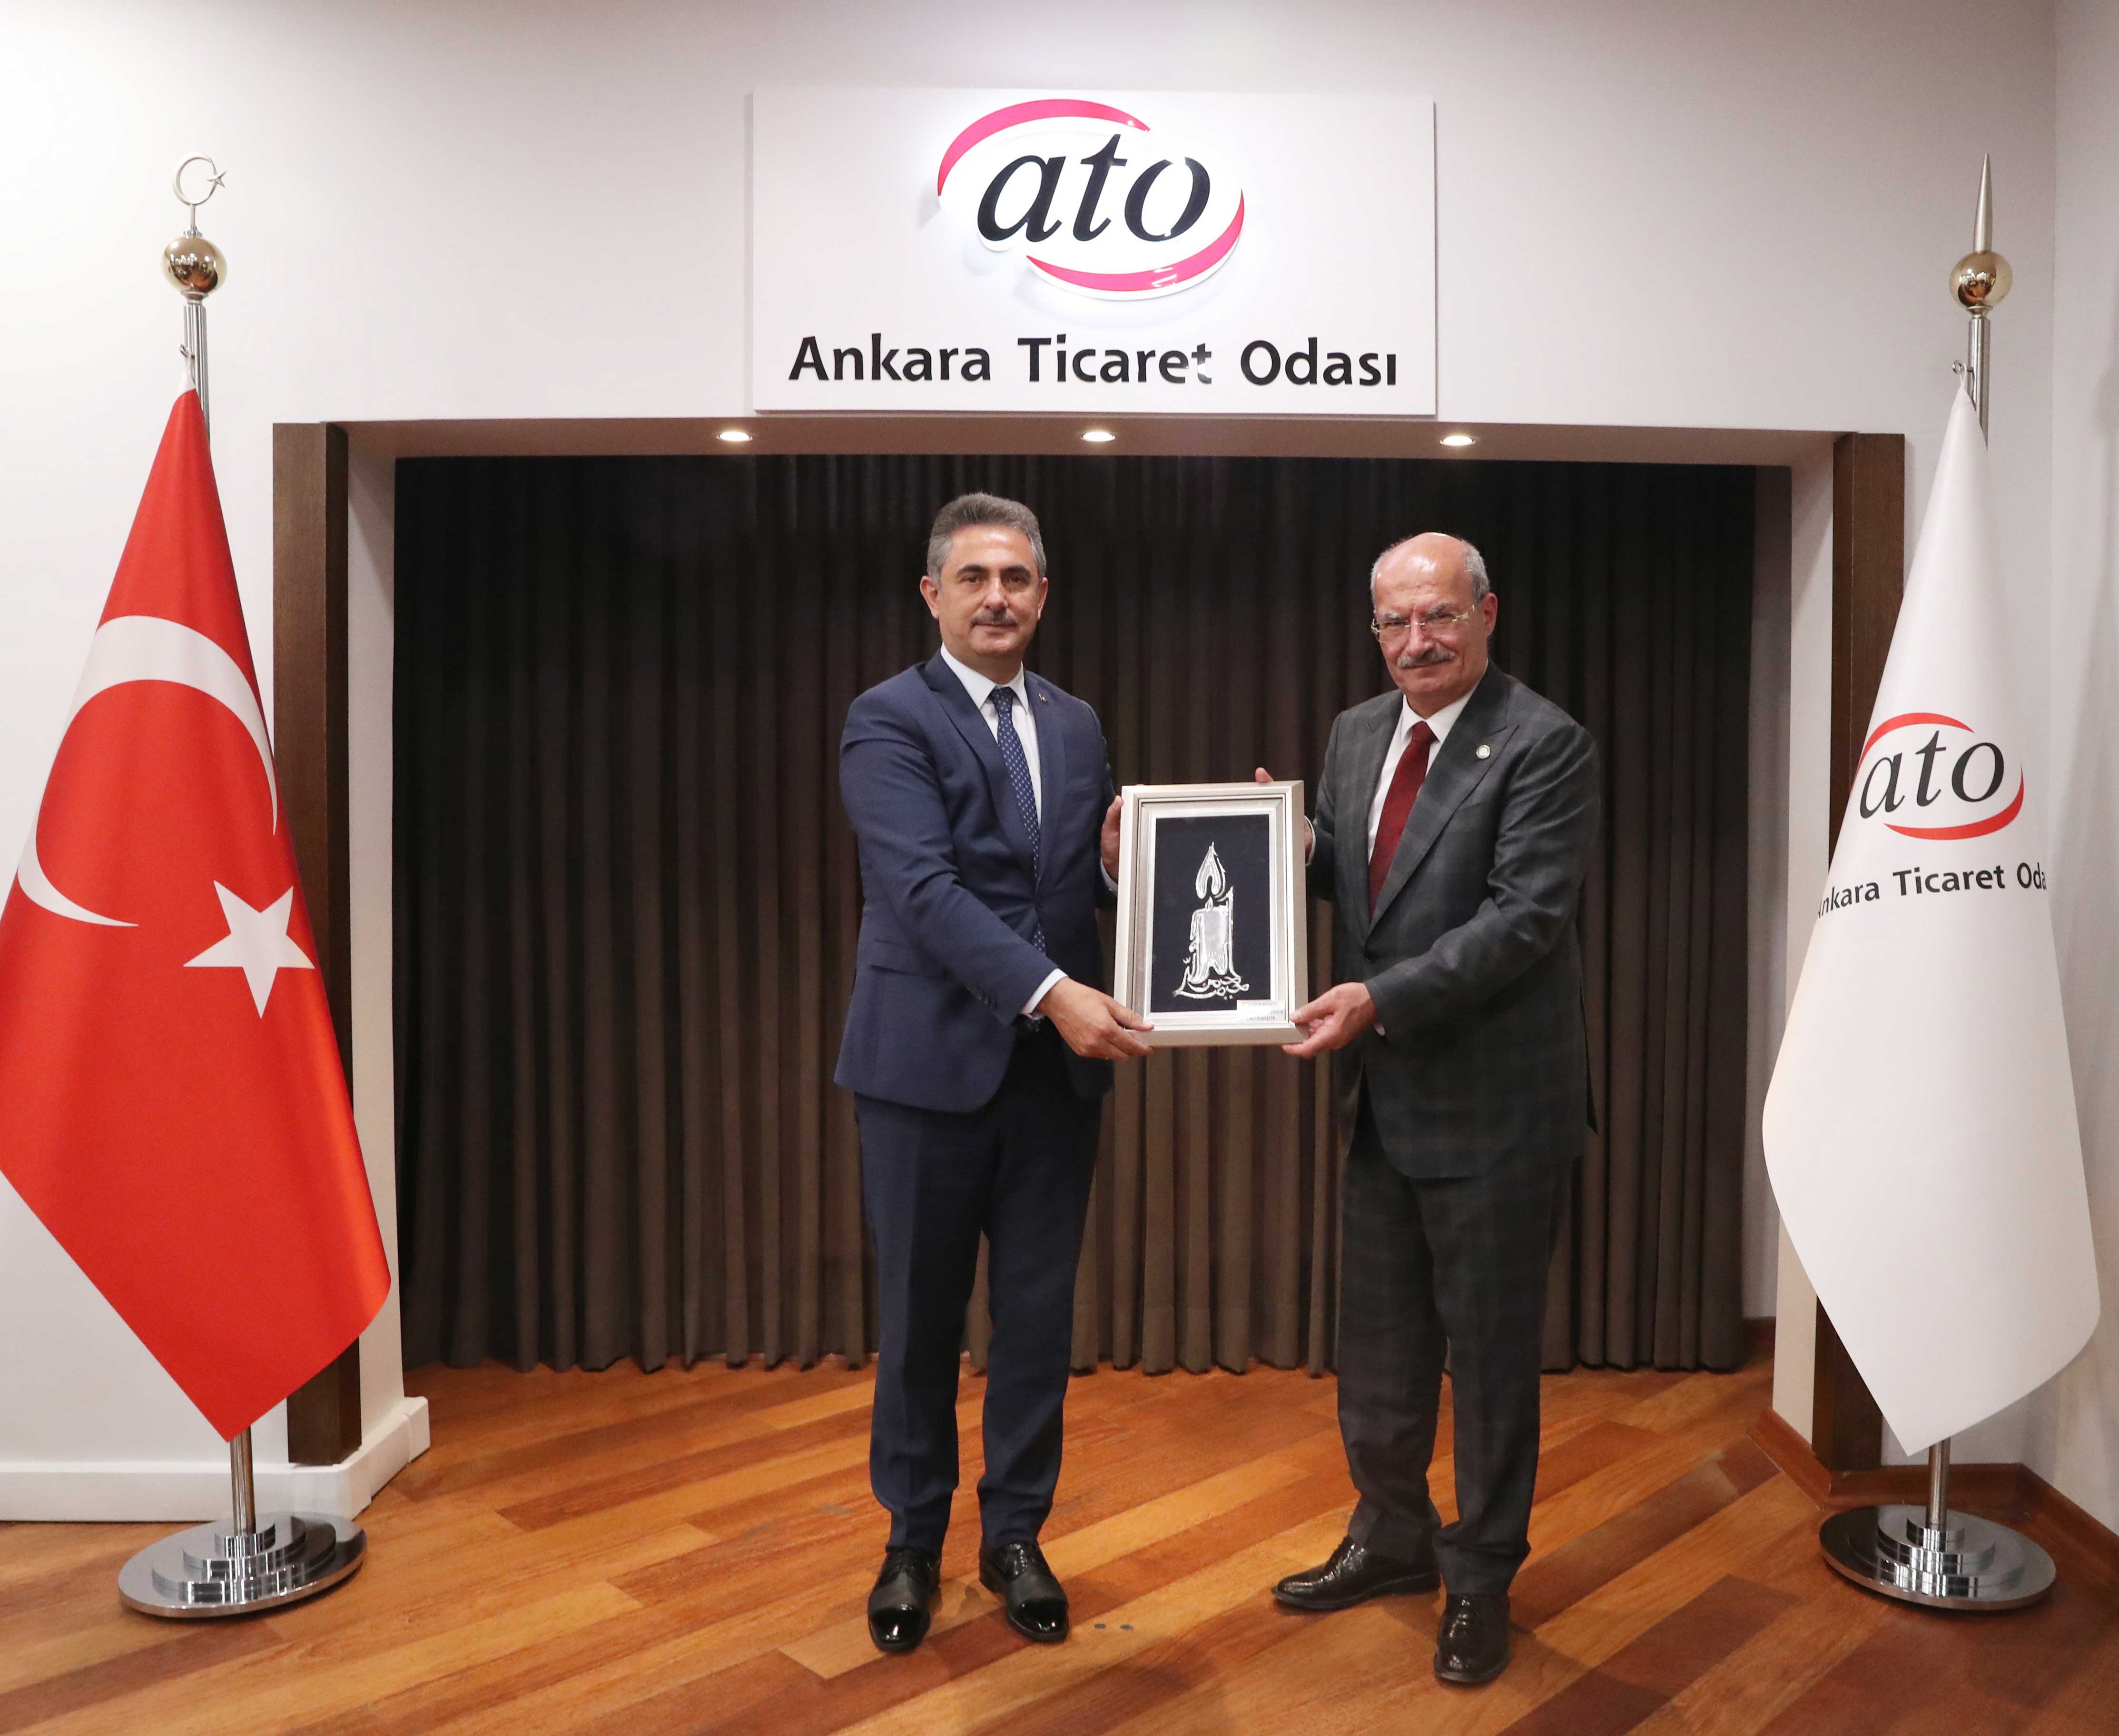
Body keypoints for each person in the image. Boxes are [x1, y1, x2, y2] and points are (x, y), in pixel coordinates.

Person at [1262, 532, 1598, 1687]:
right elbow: (1357, 879)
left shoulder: (1544, 742)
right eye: (1395, 621)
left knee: (1489, 1366)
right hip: (1380, 1102)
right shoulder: (1357, 733)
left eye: (1439, 615)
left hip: (1495, 1111)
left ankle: (1481, 1579)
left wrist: (1379, 1000)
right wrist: (1280, 847)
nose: (1417, 640)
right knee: (1379, 1354)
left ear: (1485, 614)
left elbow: (1522, 919)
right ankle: (1392, 1538)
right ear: (1374, 629)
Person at [836, 492, 1153, 1656]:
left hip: (1050, 1086)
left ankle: (1015, 1536)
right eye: (973, 578)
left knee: (1034, 1325)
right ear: (934, 595)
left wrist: (1118, 873)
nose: (996, 598)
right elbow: (923, 893)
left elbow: (1066, 891)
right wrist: (1054, 992)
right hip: (924, 1072)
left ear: (1044, 594)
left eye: (1017, 578)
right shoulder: (887, 718)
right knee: (920, 1322)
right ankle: (911, 1543)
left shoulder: (1075, 723)